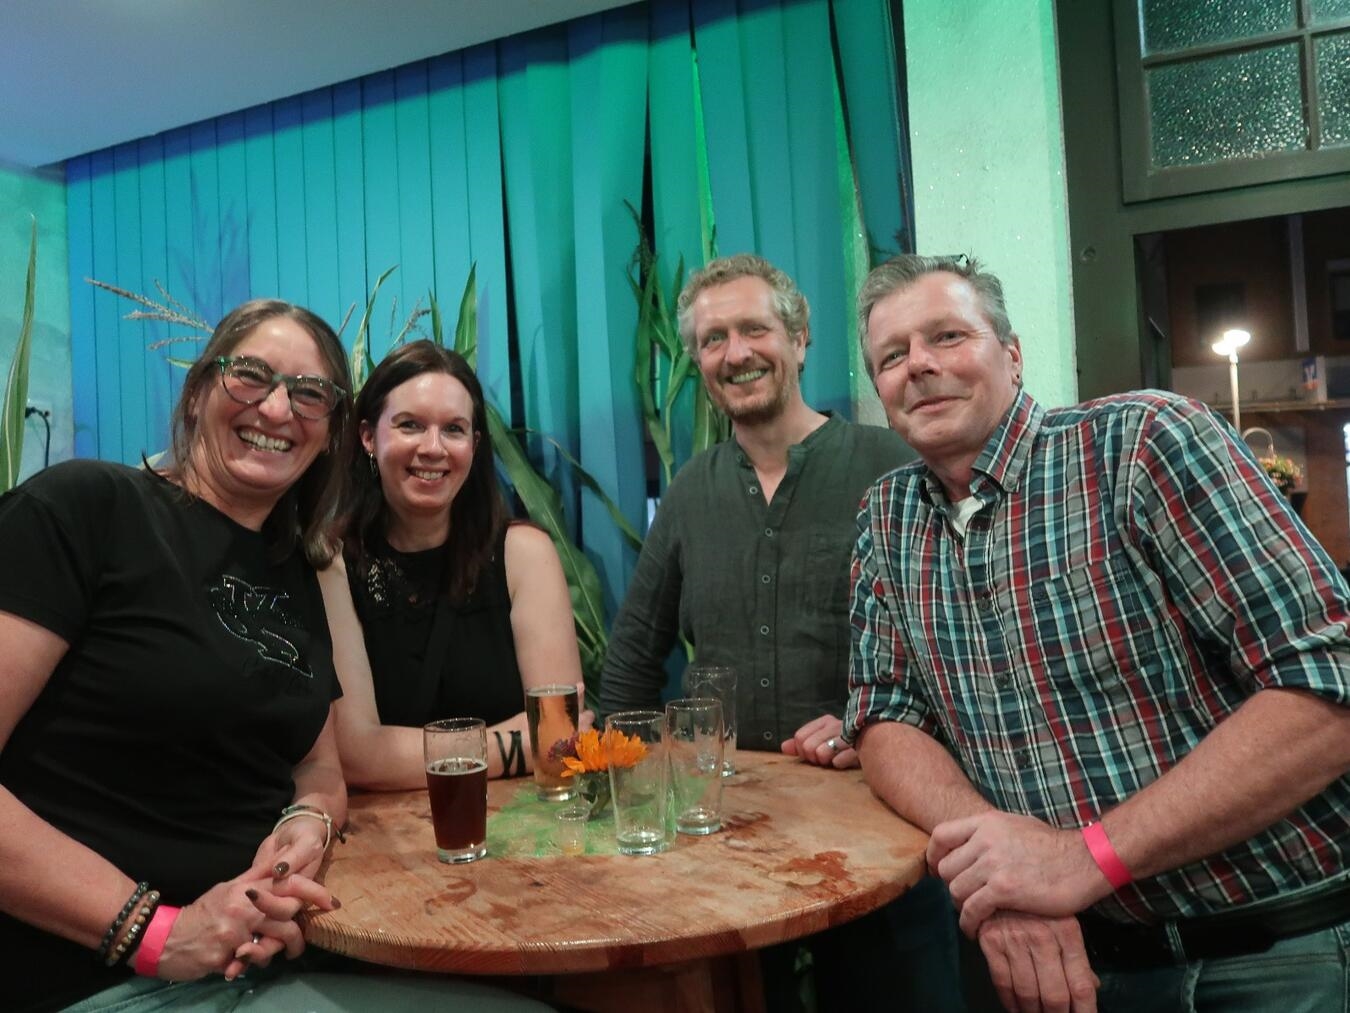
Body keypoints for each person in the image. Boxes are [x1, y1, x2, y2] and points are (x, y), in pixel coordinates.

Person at [0, 302, 548, 1013]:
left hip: (264, 957)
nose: (279, 407)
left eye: (310, 392)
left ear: (329, 435)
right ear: (199, 392)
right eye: (251, 376)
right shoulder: (87, 508)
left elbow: (317, 765)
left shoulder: (295, 570)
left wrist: (304, 829)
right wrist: (154, 930)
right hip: (106, 975)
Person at [846, 253, 1350, 1012]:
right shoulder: (886, 518)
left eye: (947, 336)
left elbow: (1330, 680)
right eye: (892, 355)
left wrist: (1084, 858)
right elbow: (883, 714)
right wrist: (1007, 865)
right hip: (1075, 966)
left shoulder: (1141, 442)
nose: (919, 365)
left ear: (1011, 356)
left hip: (1274, 950)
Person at [598, 254, 964, 1011]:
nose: (735, 353)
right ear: (698, 362)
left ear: (799, 340)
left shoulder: (893, 466)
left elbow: (961, 647)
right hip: (728, 850)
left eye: (754, 329)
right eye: (712, 339)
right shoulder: (692, 491)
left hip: (882, 833)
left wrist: (876, 728)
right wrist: (623, 794)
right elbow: (634, 657)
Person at [326, 339, 587, 790]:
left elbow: (559, 740)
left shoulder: (522, 554)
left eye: (454, 429)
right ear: (368, 437)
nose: (433, 448)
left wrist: (406, 756)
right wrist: (517, 743)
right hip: (388, 845)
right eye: (410, 425)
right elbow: (358, 758)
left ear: (475, 443)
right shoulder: (333, 564)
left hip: (521, 833)